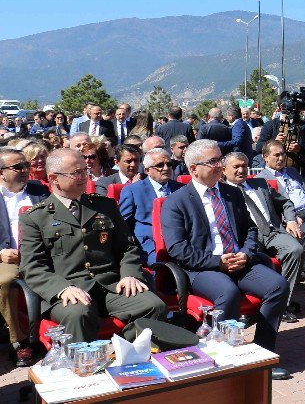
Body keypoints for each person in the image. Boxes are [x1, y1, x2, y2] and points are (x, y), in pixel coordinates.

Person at [161, 140, 290, 378]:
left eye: (220, 159)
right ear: (193, 169)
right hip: (202, 268)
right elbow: (178, 249)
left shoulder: (231, 193)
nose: (221, 166)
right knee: (227, 293)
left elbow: (251, 230)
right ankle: (221, 359)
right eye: (213, 162)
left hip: (239, 261)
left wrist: (246, 253)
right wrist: (217, 261)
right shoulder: (175, 202)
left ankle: (261, 355)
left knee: (278, 286)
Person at [20, 149, 167, 343]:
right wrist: (62, 288)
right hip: (69, 289)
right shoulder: (35, 217)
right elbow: (32, 266)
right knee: (78, 314)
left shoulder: (104, 206)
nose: (83, 177)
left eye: (84, 171)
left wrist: (130, 273)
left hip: (110, 285)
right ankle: (83, 367)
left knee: (153, 305)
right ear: (54, 178)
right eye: (76, 173)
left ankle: (124, 350)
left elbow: (127, 247)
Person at [222, 152, 305, 318]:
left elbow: (286, 203)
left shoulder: (260, 183)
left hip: (272, 232)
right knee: (251, 260)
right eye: (236, 167)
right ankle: (255, 304)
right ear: (224, 170)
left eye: (244, 166)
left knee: (296, 249)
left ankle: (282, 304)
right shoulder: (222, 192)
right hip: (246, 238)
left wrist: (290, 220)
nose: (241, 170)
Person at [0, 148, 49, 365]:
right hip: (8, 256)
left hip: (42, 253)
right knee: (6, 281)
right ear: (1, 173)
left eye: (25, 165)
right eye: (17, 167)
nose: (25, 170)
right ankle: (20, 342)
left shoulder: (40, 191)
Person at [259, 141, 305, 289]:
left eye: (283, 154)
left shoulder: (292, 171)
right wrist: (289, 218)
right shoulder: (262, 179)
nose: (281, 158)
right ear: (265, 157)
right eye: (276, 155)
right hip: (292, 216)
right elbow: (270, 207)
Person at [118, 147, 182, 264]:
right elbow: (123, 225)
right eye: (160, 165)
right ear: (147, 170)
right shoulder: (133, 191)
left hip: (179, 239)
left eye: (169, 164)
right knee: (163, 266)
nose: (166, 168)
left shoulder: (181, 189)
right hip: (149, 243)